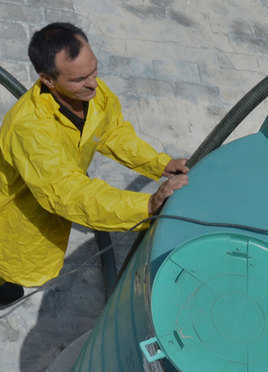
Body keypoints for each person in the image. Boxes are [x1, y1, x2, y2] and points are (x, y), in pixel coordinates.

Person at [0, 23, 189, 307]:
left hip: (44, 204)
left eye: (94, 71)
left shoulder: (94, 94)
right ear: (48, 80)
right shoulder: (30, 129)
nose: (92, 84)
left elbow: (113, 133)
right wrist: (145, 206)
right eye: (78, 79)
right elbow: (69, 193)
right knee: (8, 260)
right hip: (15, 217)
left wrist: (160, 164)